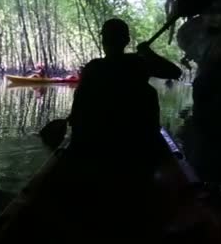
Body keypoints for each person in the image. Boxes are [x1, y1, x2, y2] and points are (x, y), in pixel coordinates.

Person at [68, 18, 182, 175]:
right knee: (149, 92)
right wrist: (148, 53)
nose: (106, 41)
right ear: (127, 41)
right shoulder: (138, 64)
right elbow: (175, 72)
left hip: (98, 146)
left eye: (107, 38)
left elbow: (77, 114)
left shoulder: (94, 67)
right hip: (136, 148)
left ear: (103, 41)